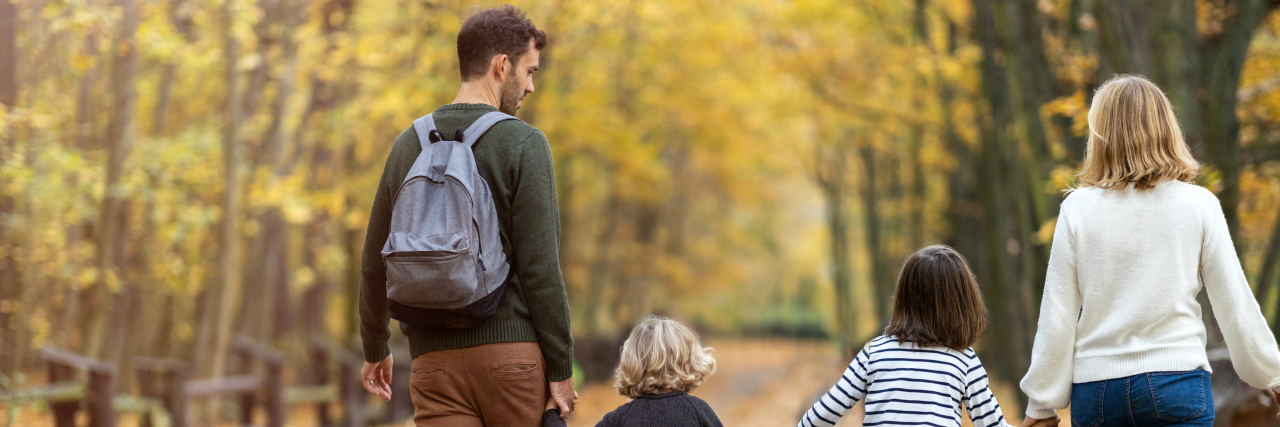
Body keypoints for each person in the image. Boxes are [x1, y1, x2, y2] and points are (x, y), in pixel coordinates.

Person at [357, 5, 576, 426]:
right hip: (511, 361)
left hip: (432, 365)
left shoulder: (408, 144)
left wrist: (375, 347)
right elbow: (539, 269)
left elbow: (373, 261)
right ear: (502, 66)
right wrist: (562, 369)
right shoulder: (524, 143)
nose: (530, 87)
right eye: (529, 72)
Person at [1020, 74, 1280, 427]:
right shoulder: (1199, 204)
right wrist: (1273, 375)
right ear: (1166, 127)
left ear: (1101, 136)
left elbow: (1058, 313)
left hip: (1099, 394)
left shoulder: (1078, 208)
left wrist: (1042, 404)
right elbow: (1235, 305)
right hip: (1177, 384)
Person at [797, 245, 1045, 427]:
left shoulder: (874, 352)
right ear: (963, 304)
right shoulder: (964, 361)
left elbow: (821, 416)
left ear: (904, 298)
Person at [543, 316, 722, 427]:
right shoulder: (698, 411)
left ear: (630, 362)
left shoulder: (621, 418)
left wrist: (552, 416)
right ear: (689, 361)